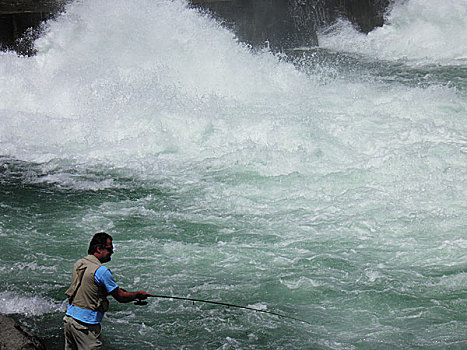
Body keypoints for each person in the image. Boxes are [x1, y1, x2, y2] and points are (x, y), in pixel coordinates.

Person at [63, 232, 153, 349]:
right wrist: (137, 295)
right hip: (86, 326)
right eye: (110, 249)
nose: (112, 252)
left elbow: (89, 288)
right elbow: (120, 297)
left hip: (69, 320)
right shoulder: (101, 271)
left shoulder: (80, 263)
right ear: (99, 249)